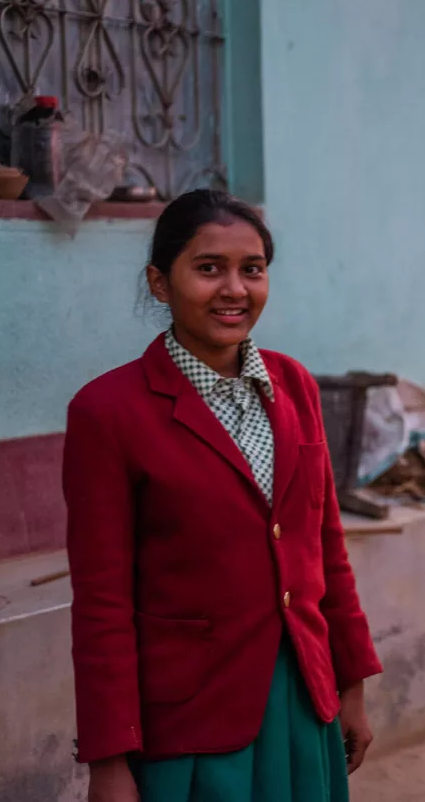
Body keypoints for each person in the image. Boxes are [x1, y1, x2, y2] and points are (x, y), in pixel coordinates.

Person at [64, 189, 381, 802]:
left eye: (252, 270)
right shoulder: (108, 412)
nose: (234, 289)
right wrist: (108, 757)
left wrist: (350, 685)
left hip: (301, 696)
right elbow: (101, 601)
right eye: (208, 268)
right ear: (161, 283)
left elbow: (325, 548)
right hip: (190, 719)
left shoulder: (293, 386)